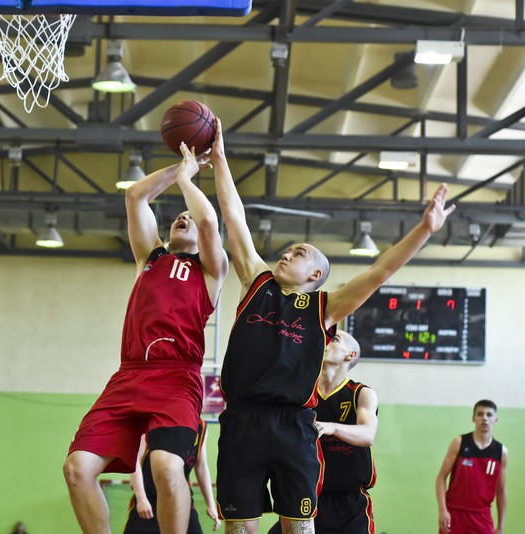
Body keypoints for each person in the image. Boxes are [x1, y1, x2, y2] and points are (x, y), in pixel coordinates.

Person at [210, 117, 455, 534]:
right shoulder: (256, 282)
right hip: (241, 420)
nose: (287, 254)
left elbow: (379, 271)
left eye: (299, 252)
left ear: (315, 275)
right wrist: (219, 158)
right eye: (288, 250)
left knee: (299, 526)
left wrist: (423, 231)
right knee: (239, 527)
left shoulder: (325, 307)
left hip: (293, 424)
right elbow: (234, 217)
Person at [63, 142, 229, 534]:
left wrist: (188, 180)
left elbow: (208, 222)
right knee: (77, 468)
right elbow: (136, 195)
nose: (183, 217)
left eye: (188, 215)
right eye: (178, 216)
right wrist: (183, 165)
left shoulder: (211, 270)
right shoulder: (150, 257)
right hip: (129, 375)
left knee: (167, 468)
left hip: (177, 378)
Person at [267, 330, 378, 534]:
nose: (325, 341)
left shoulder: (362, 393)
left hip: (349, 506)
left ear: (350, 355)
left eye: (334, 339)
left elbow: (368, 434)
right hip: (306, 498)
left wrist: (332, 427)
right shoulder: (300, 394)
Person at [124, 419, 221, 533]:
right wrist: (141, 498)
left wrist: (211, 504)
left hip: (181, 502)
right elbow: (135, 461)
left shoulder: (201, 426)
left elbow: (201, 467)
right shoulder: (153, 420)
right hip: (149, 501)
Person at [436, 400, 507, 534]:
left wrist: (501, 526)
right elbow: (441, 477)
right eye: (480, 414)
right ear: (473, 418)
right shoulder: (459, 442)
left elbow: (501, 491)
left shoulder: (501, 452)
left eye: (489, 415)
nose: (484, 418)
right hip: (454, 514)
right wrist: (442, 510)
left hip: (482, 516)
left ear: (496, 420)